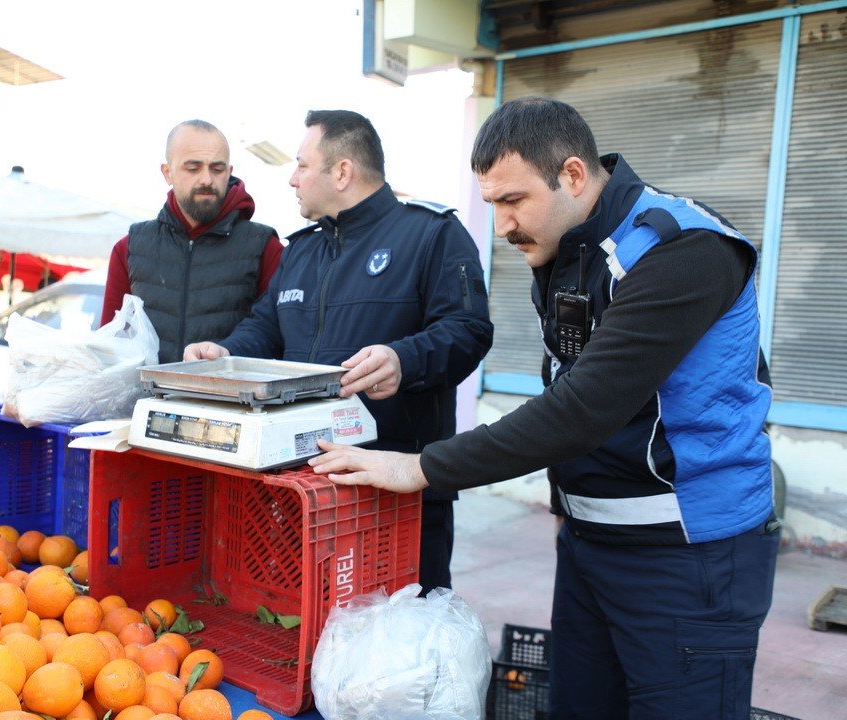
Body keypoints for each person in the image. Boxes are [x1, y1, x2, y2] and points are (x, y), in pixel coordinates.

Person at [308, 97, 779, 720]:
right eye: (492, 203)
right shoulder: (567, 248)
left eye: (513, 201)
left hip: (687, 555)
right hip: (590, 544)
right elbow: (563, 381)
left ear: (573, 175)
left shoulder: (683, 249)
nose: (501, 225)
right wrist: (567, 508)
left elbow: (585, 407)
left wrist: (419, 467)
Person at [184, 109, 494, 593]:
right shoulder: (301, 251)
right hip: (305, 488)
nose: (293, 179)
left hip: (399, 493)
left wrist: (404, 360)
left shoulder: (431, 233)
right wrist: (223, 353)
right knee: (304, 621)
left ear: (342, 171)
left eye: (302, 165)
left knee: (399, 630)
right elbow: (265, 328)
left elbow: (469, 330)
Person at [100, 119, 284, 364]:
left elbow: (275, 337)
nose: (206, 179)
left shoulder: (266, 248)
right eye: (193, 168)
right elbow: (110, 344)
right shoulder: (129, 248)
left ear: (229, 172)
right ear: (168, 173)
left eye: (217, 169)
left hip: (230, 389)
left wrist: (227, 354)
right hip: (147, 390)